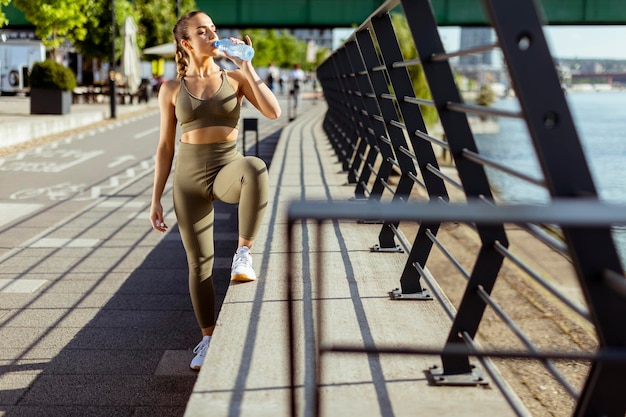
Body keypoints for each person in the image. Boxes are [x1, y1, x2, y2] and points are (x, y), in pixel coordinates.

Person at [149, 10, 281, 371]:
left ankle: (243, 254)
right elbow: (165, 147)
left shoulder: (235, 77)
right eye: (202, 31)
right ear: (186, 43)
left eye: (214, 30)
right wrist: (155, 198)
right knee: (199, 265)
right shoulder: (171, 89)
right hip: (188, 181)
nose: (211, 35)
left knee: (255, 167)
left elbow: (273, 111)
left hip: (227, 169)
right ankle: (206, 339)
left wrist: (247, 66)